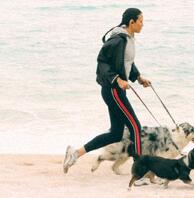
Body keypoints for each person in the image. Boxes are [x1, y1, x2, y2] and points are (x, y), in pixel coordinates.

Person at [63, 8, 151, 174]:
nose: (142, 24)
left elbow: (127, 62)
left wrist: (138, 77)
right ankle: (140, 171)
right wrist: (117, 79)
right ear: (131, 22)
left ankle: (75, 154)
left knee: (116, 134)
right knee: (135, 127)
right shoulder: (118, 39)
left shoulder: (129, 38)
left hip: (116, 91)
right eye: (141, 21)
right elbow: (102, 62)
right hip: (113, 90)